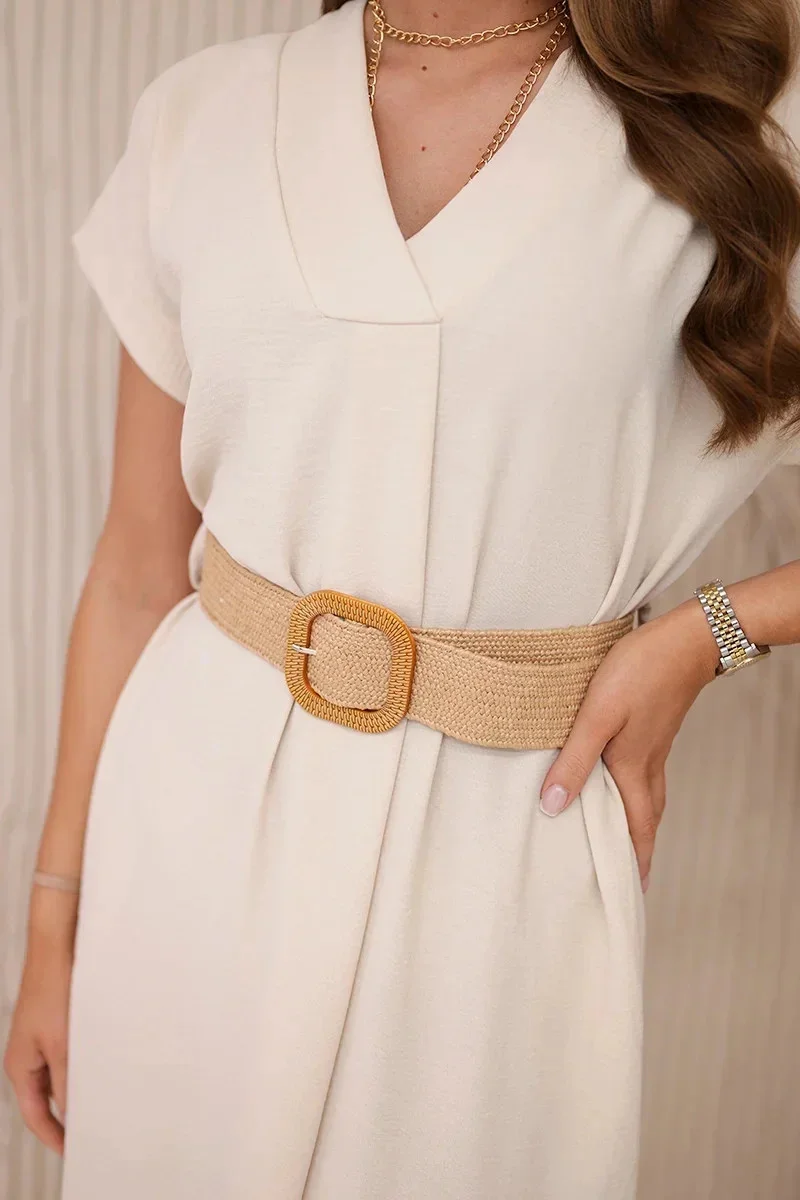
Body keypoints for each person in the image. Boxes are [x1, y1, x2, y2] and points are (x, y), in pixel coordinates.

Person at [5, 1, 800, 1196]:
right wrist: (54, 920)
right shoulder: (204, 114)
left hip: (501, 854)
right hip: (185, 845)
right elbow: (133, 567)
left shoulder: (727, 131)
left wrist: (708, 635)